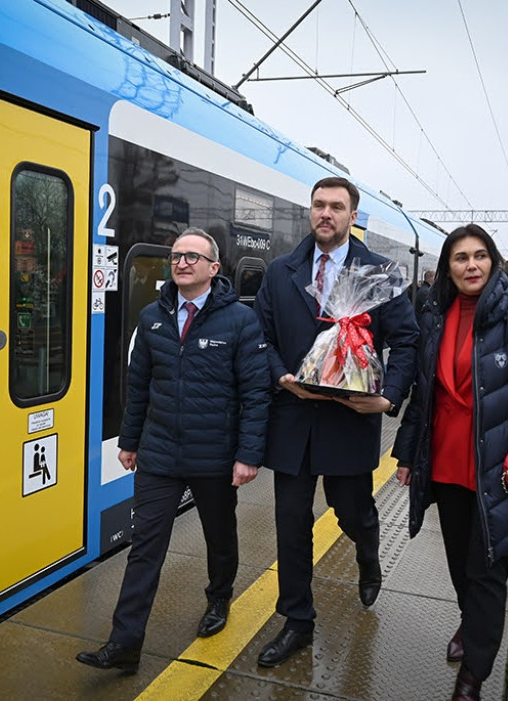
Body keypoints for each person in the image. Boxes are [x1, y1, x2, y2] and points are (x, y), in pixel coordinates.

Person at [76, 228, 270, 673]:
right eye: (177, 256)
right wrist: (128, 441)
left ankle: (219, 598)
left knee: (219, 538)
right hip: (160, 453)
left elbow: (257, 393)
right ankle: (125, 642)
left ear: (213, 268)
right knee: (144, 546)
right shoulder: (152, 318)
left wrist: (248, 455)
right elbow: (138, 384)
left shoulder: (239, 321)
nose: (182, 263)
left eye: (192, 257)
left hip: (216, 456)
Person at [392, 224, 508, 701]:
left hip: (497, 467)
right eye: (460, 258)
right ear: (447, 267)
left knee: (487, 568)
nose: (470, 265)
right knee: (458, 563)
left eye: (479, 256)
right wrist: (406, 455)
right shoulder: (435, 314)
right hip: (447, 463)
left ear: (492, 260)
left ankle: (473, 674)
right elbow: (423, 395)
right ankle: (472, 626)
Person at [252, 176, 418, 668]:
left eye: (336, 207)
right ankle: (297, 621)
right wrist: (280, 375)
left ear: (352, 216)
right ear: (311, 211)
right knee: (291, 525)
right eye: (319, 205)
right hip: (293, 418)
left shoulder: (380, 273)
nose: (325, 213)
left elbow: (406, 342)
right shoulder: (282, 271)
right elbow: (258, 336)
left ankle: (368, 550)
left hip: (350, 420)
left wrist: (388, 398)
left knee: (353, 513)